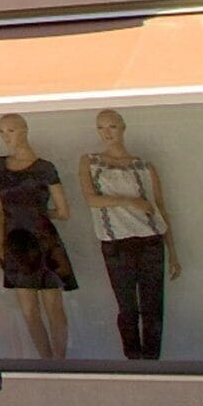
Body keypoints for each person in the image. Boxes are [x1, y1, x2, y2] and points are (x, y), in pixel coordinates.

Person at [82, 109, 178, 361]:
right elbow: (91, 199)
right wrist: (129, 201)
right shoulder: (91, 162)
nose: (107, 133)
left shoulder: (144, 166)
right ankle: (134, 363)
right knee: (127, 307)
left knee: (153, 307)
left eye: (112, 127)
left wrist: (173, 251)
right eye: (101, 128)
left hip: (150, 239)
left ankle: (153, 362)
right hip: (116, 242)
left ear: (123, 127)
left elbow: (160, 206)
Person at [0, 114, 76, 358]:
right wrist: (1, 243)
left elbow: (63, 210)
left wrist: (38, 213)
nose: (7, 137)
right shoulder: (0, 165)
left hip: (43, 241)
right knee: (28, 309)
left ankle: (60, 360)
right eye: (2, 132)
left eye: (11, 131)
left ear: (24, 130)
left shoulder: (44, 167)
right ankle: (45, 360)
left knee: (53, 307)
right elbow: (1, 207)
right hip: (15, 241)